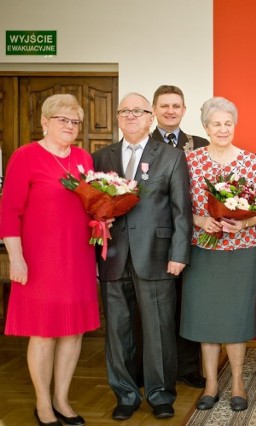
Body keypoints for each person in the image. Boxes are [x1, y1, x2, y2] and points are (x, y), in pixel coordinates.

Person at [0, 94, 99, 426]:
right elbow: (9, 212)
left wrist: (104, 215)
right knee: (43, 332)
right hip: (39, 261)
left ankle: (62, 399)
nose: (70, 127)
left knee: (73, 331)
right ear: (44, 121)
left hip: (78, 258)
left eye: (75, 122)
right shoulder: (25, 156)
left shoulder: (84, 158)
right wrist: (17, 259)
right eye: (63, 120)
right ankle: (43, 404)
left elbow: (90, 203)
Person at [93, 92, 192, 421]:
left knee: (159, 329)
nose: (131, 116)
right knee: (118, 330)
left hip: (157, 256)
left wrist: (179, 254)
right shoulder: (101, 157)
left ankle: (161, 393)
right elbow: (92, 208)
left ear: (151, 118)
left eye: (138, 111)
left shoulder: (171, 156)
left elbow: (182, 211)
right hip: (113, 256)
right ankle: (124, 394)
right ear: (118, 117)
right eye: (125, 111)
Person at [180, 97, 256, 413]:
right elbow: (180, 207)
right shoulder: (191, 161)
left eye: (227, 123)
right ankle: (211, 384)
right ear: (205, 127)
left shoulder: (250, 162)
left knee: (235, 317)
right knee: (206, 317)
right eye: (216, 123)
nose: (222, 129)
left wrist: (242, 221)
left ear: (235, 125)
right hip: (203, 249)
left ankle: (239, 382)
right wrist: (200, 219)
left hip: (240, 251)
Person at [151, 84, 208, 389]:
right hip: (154, 240)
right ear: (154, 109)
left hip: (193, 238)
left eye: (176, 106)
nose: (170, 111)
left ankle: (188, 366)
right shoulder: (143, 144)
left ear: (184, 110)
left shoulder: (199, 144)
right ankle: (156, 367)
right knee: (157, 307)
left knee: (189, 304)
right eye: (164, 106)